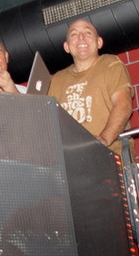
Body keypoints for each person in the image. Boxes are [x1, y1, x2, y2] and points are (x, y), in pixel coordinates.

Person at [47, 18, 134, 156]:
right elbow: (37, 116)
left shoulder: (111, 64)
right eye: (74, 34)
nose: (81, 37)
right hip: (73, 161)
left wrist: (104, 139)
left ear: (99, 42)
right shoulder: (56, 80)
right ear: (67, 47)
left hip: (111, 156)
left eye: (87, 33)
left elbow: (123, 105)